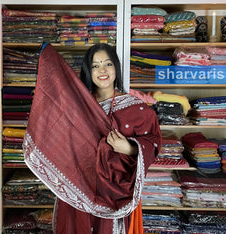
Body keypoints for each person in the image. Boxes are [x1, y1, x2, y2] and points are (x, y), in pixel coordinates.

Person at [23, 43, 162, 234]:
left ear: (116, 68)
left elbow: (152, 143)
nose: (102, 70)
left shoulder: (137, 109)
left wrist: (129, 148)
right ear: (88, 71)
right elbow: (56, 134)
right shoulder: (77, 107)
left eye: (107, 64)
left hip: (116, 193)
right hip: (78, 188)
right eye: (95, 65)